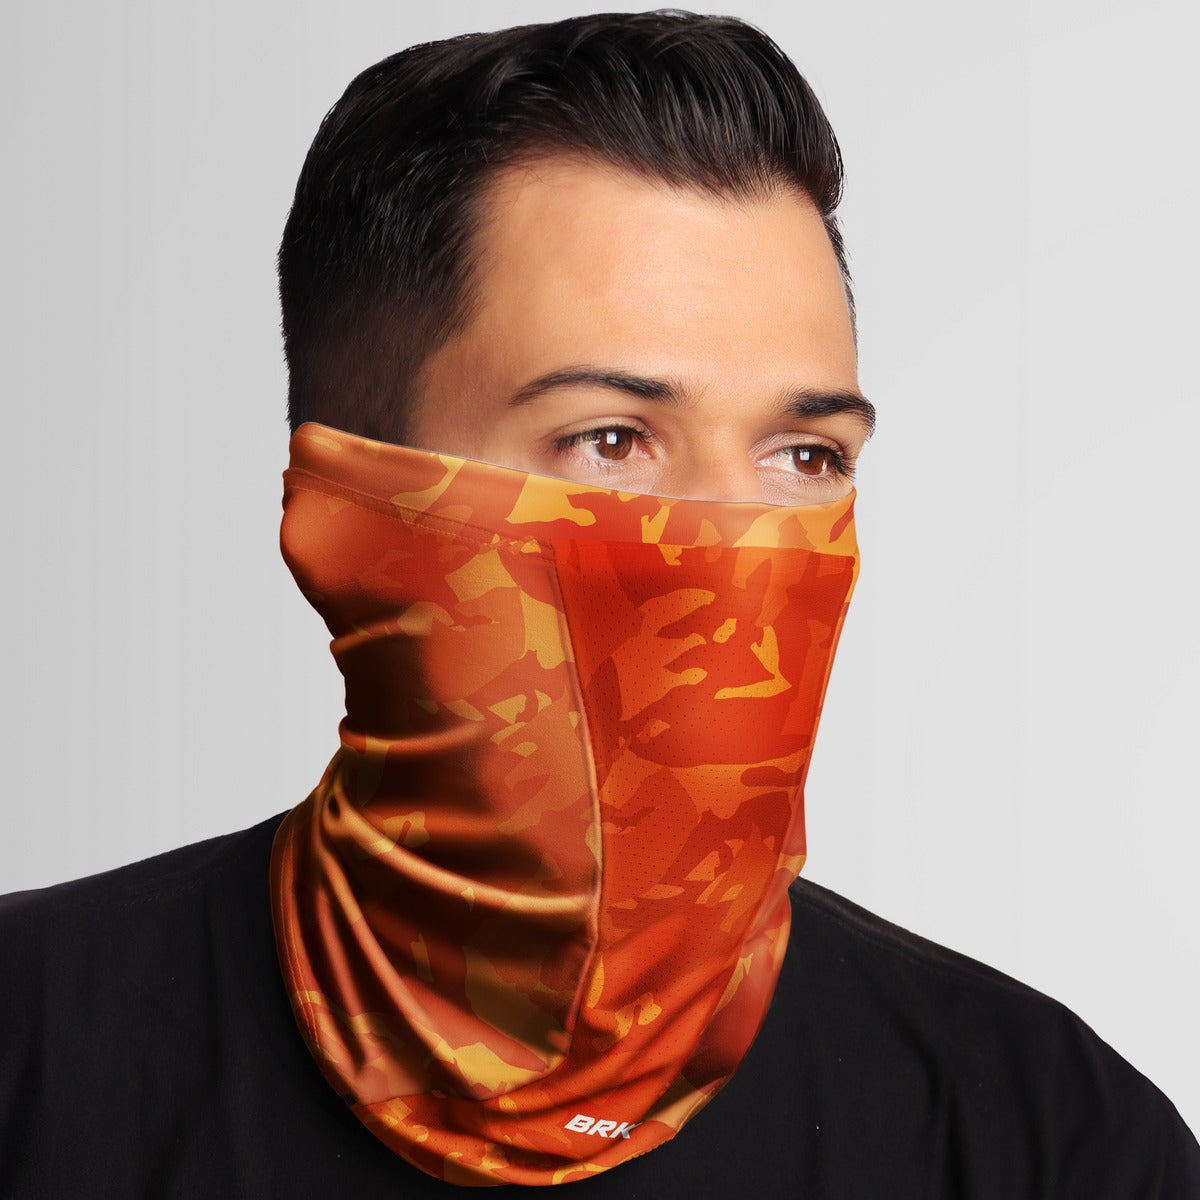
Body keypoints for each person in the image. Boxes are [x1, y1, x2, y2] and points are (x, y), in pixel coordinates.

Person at [1, 10, 1197, 1197]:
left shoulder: (1054, 1142)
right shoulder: (33, 1058)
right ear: (355, 514)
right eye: (612, 440)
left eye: (804, 456)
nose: (737, 541)